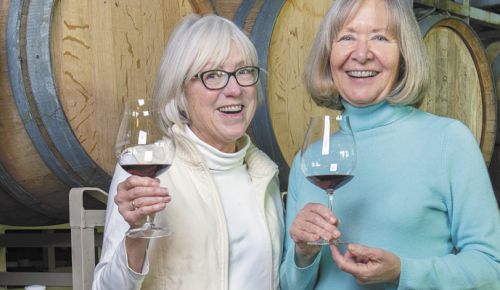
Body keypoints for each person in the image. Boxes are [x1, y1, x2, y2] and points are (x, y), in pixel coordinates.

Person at [280, 0, 500, 289]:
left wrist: (403, 272)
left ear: (403, 55)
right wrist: (303, 254)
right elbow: (290, 285)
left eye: (380, 37)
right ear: (328, 54)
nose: (361, 54)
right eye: (347, 37)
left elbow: (491, 268)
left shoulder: (449, 141)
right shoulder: (309, 160)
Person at [92, 14, 284, 290]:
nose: (234, 89)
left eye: (243, 72)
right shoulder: (145, 169)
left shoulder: (264, 174)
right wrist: (136, 237)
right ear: (181, 89)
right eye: (213, 75)